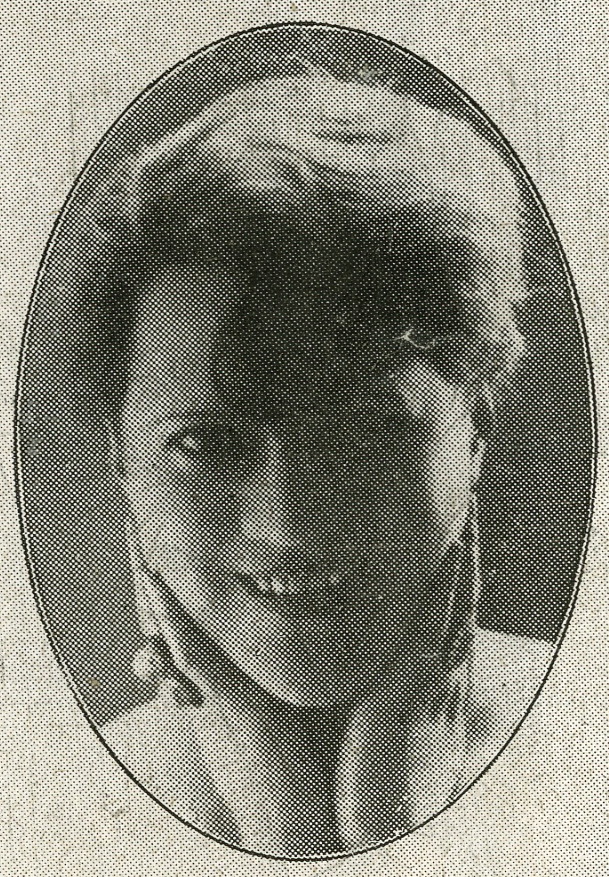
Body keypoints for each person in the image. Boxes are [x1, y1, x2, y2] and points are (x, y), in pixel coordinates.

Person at [83, 69, 554, 856]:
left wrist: (388, 826)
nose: (289, 522)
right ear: (121, 459)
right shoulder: (55, 793)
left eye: (362, 432)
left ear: (473, 431)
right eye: (206, 442)